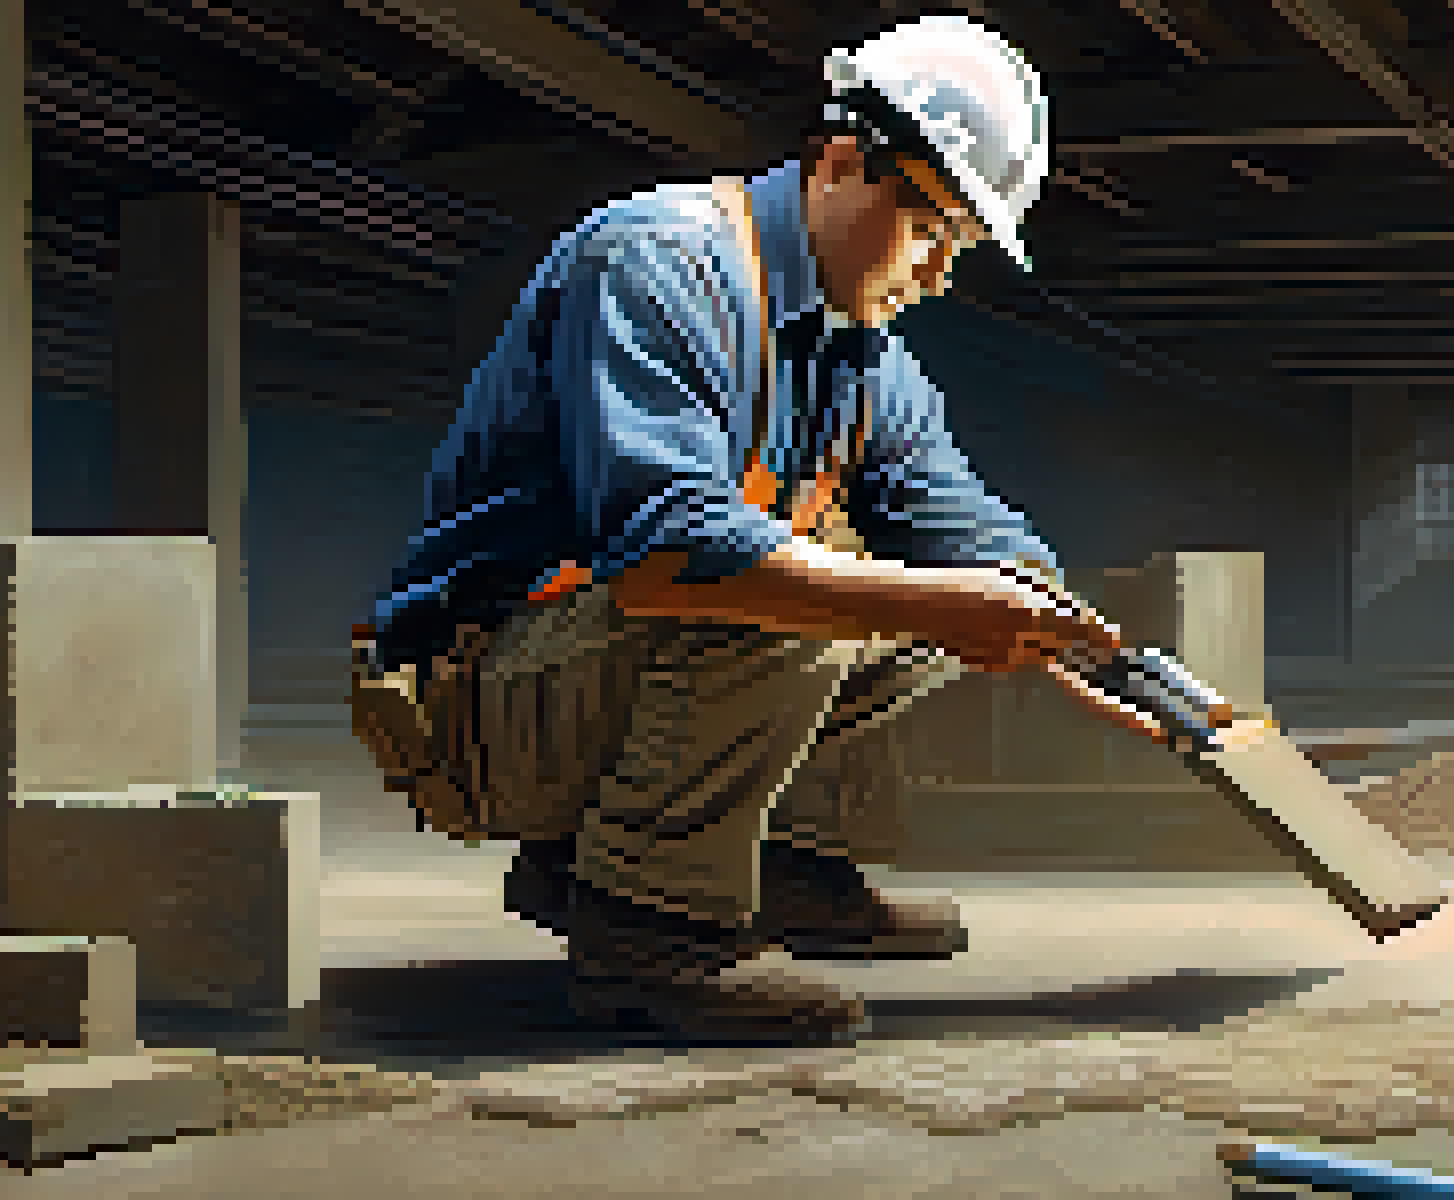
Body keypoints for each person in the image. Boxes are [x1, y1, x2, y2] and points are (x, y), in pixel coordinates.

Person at [357, 15, 1124, 1040]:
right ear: (847, 162)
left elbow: (959, 521)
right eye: (936, 229)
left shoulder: (864, 355)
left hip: (582, 684)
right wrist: (939, 599)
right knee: (795, 589)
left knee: (937, 607)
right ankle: (647, 929)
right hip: (477, 707)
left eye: (964, 247)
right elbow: (670, 553)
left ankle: (756, 864)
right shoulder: (663, 264)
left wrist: (1057, 619)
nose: (941, 273)